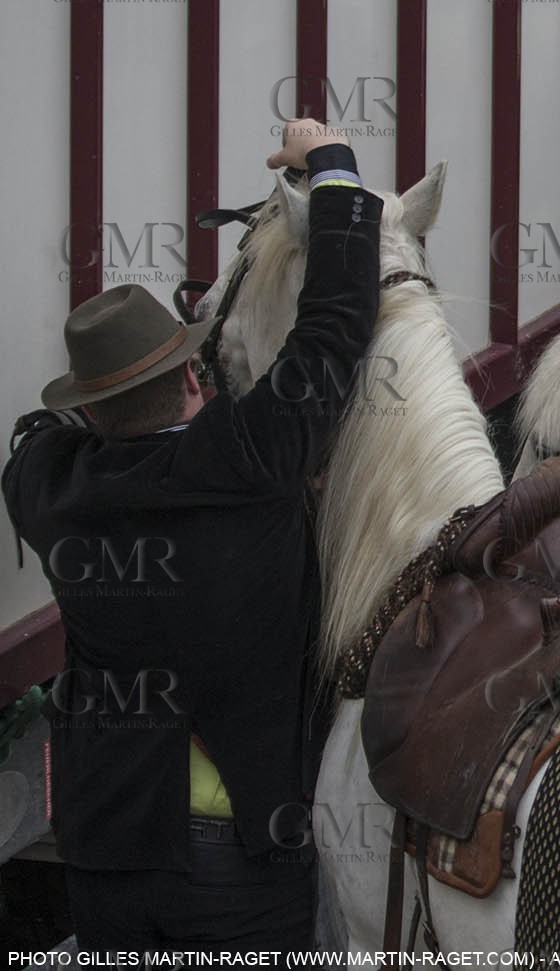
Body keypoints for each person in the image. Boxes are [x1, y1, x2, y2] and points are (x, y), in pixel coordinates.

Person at [3, 120, 380, 952]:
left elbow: (38, 430)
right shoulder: (250, 453)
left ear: (91, 410)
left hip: (106, 854)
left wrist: (113, 404)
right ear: (189, 374)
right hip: (241, 865)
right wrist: (332, 162)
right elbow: (338, 321)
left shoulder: (48, 487)